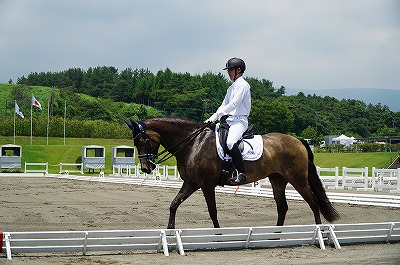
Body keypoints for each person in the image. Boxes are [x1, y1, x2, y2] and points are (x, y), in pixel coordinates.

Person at [205, 57, 251, 185]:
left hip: (240, 121)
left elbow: (234, 104)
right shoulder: (230, 88)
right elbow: (223, 105)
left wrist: (218, 115)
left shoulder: (243, 85)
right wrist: (212, 117)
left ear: (238, 70)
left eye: (230, 70)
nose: (228, 72)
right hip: (230, 121)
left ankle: (241, 173)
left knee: (230, 142)